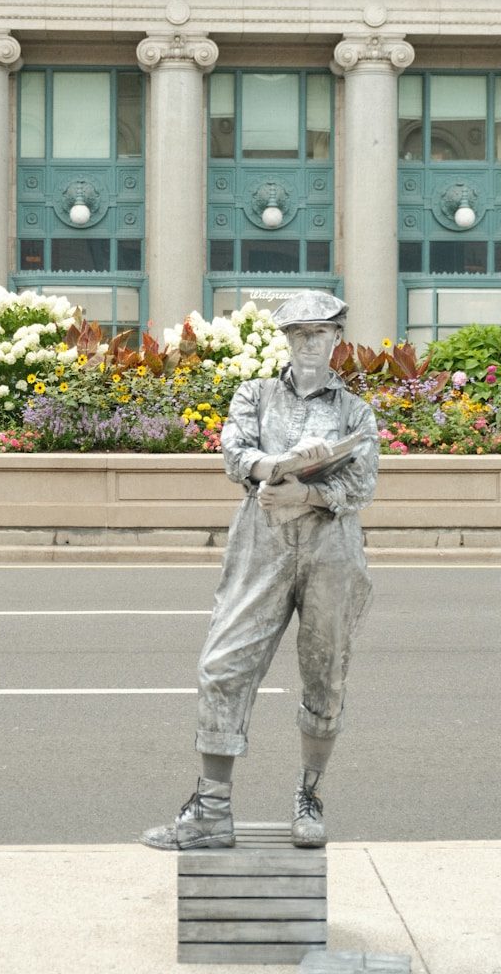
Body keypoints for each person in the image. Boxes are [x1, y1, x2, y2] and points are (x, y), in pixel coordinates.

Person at [141, 290, 379, 851]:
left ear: (336, 339)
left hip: (331, 550)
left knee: (325, 675)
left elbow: (362, 481)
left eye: (319, 334)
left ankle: (309, 795)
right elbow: (234, 451)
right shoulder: (256, 394)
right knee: (223, 663)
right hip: (262, 541)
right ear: (286, 340)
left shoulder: (355, 411)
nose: (309, 344)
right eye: (299, 334)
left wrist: (309, 494)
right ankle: (211, 809)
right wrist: (272, 468)